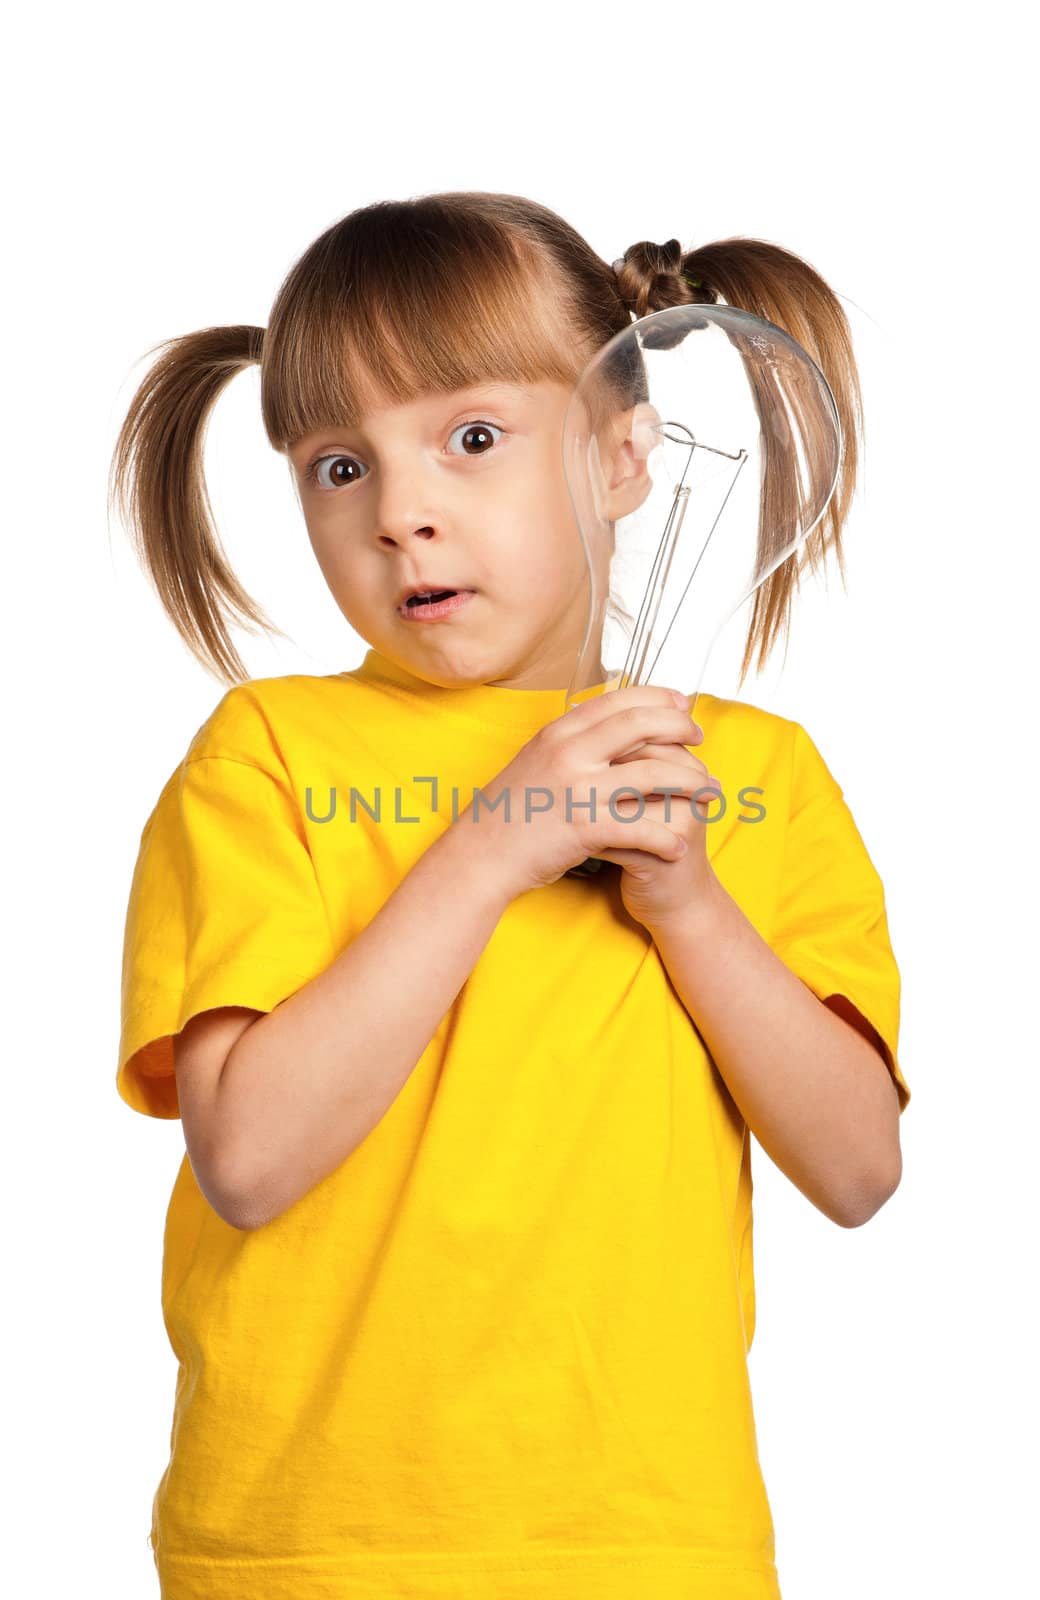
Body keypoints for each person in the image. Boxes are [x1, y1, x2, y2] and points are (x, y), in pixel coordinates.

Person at [111, 191, 911, 1600]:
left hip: (647, 1541)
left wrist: (692, 911)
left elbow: (857, 1172)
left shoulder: (753, 778)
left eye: (471, 439)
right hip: (306, 1546)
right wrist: (491, 847)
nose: (401, 512)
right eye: (336, 466)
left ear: (621, 459)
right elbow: (247, 1160)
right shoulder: (270, 759)